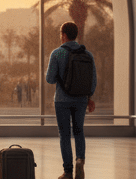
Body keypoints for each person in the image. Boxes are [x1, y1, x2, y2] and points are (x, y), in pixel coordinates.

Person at [45, 22, 97, 179]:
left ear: (64, 34)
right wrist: (89, 98)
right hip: (81, 100)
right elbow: (93, 80)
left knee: (65, 135)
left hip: (62, 100)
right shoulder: (87, 54)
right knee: (79, 131)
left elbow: (49, 79)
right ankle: (80, 159)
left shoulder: (57, 53)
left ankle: (68, 171)